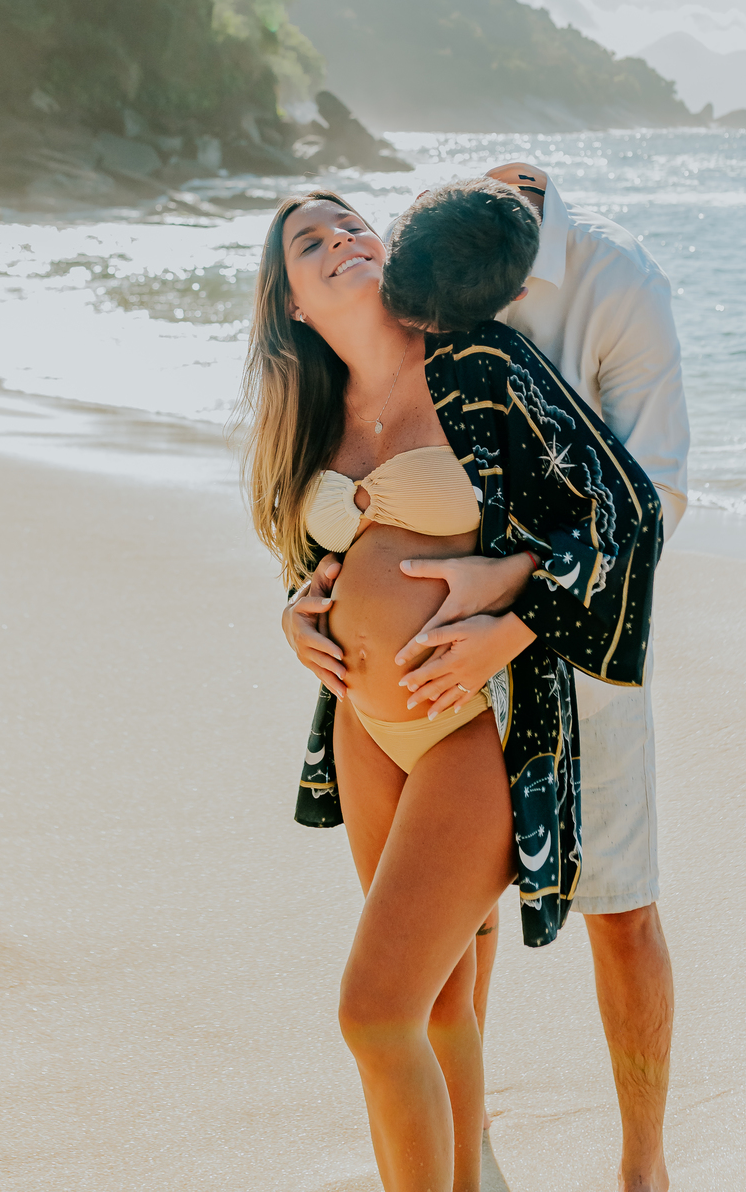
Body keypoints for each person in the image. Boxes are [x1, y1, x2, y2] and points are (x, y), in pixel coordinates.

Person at [241, 180, 660, 1192]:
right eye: (310, 238)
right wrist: (294, 611)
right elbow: (307, 555)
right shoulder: (311, 414)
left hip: (472, 722)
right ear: (292, 300)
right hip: (363, 729)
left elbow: (623, 514)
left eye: (352, 221)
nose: (341, 236)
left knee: (373, 1008)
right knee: (433, 1008)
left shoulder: (478, 362)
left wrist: (515, 597)